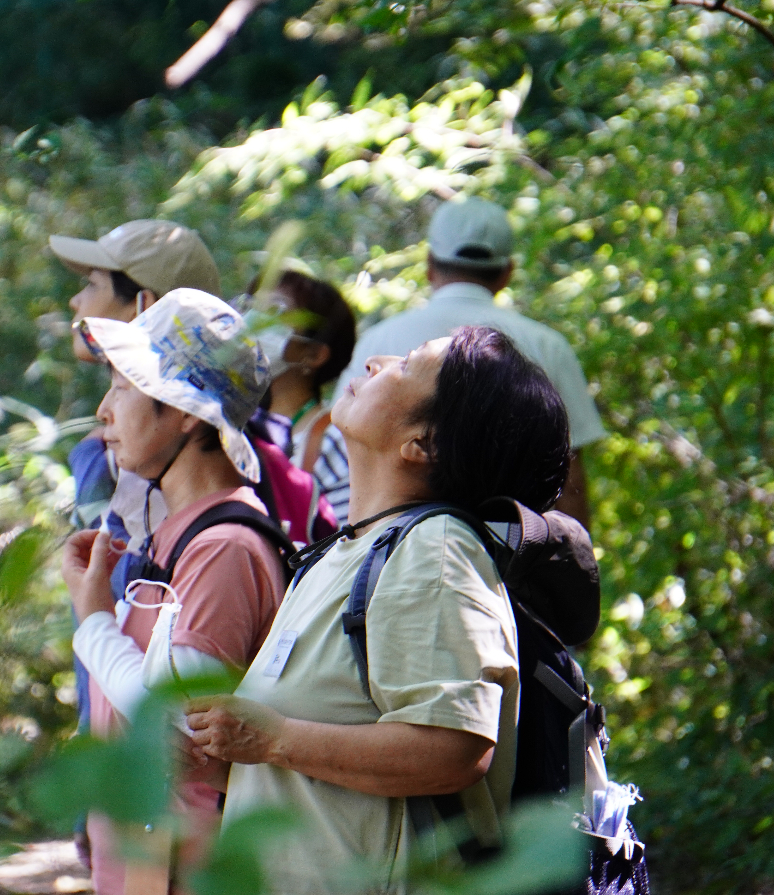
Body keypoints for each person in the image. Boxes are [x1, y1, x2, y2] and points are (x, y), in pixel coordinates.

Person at [185, 326, 572, 892]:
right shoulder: (345, 553)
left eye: (406, 364)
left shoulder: (434, 552)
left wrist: (272, 739)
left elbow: (453, 751)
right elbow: (315, 767)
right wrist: (220, 753)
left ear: (424, 442)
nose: (375, 362)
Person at [62, 288, 288, 895]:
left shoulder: (224, 549)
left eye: (123, 386)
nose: (104, 412)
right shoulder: (176, 532)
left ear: (187, 412)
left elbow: (173, 726)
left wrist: (94, 621)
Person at [49, 218, 222, 869]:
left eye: (93, 283)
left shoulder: (144, 463)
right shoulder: (168, 446)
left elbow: (127, 630)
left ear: (144, 303)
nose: (76, 301)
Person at [324, 197, 604, 527]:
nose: (377, 365)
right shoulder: (548, 347)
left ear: (429, 265)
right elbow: (569, 482)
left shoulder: (378, 339)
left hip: (377, 533)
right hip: (509, 547)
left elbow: (336, 452)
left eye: (405, 363)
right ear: (507, 273)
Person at [245, 267, 357, 523]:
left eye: (275, 312)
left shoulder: (334, 440)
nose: (252, 322)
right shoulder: (231, 421)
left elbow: (343, 536)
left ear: (314, 354)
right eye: (251, 306)